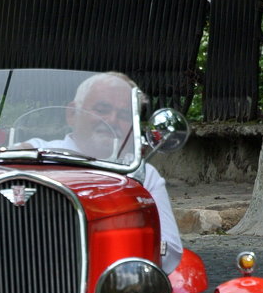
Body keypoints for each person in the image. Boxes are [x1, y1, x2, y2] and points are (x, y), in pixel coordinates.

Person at [26, 72, 183, 274]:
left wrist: (131, 237)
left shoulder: (142, 174)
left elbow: (171, 252)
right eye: (101, 110)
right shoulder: (36, 153)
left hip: (112, 284)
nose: (112, 120)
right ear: (72, 113)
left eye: (125, 115)